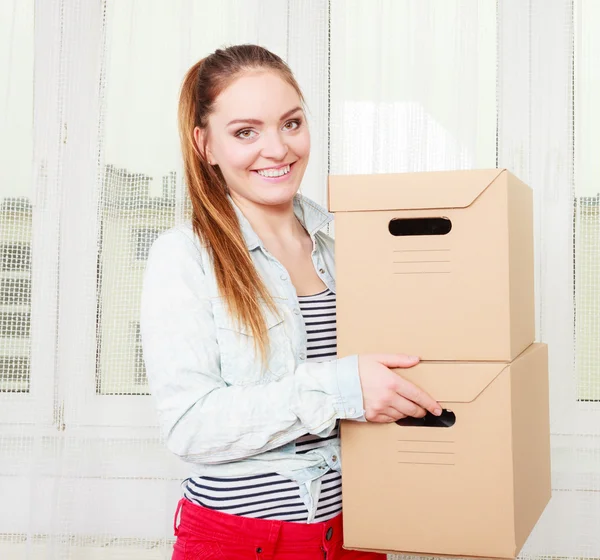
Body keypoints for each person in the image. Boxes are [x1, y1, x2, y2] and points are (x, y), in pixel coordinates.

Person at [140, 44, 442, 560]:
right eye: (245, 132)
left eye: (291, 123)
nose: (277, 149)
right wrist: (342, 387)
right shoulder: (184, 256)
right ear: (204, 144)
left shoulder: (351, 240)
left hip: (361, 530)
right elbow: (190, 425)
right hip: (244, 541)